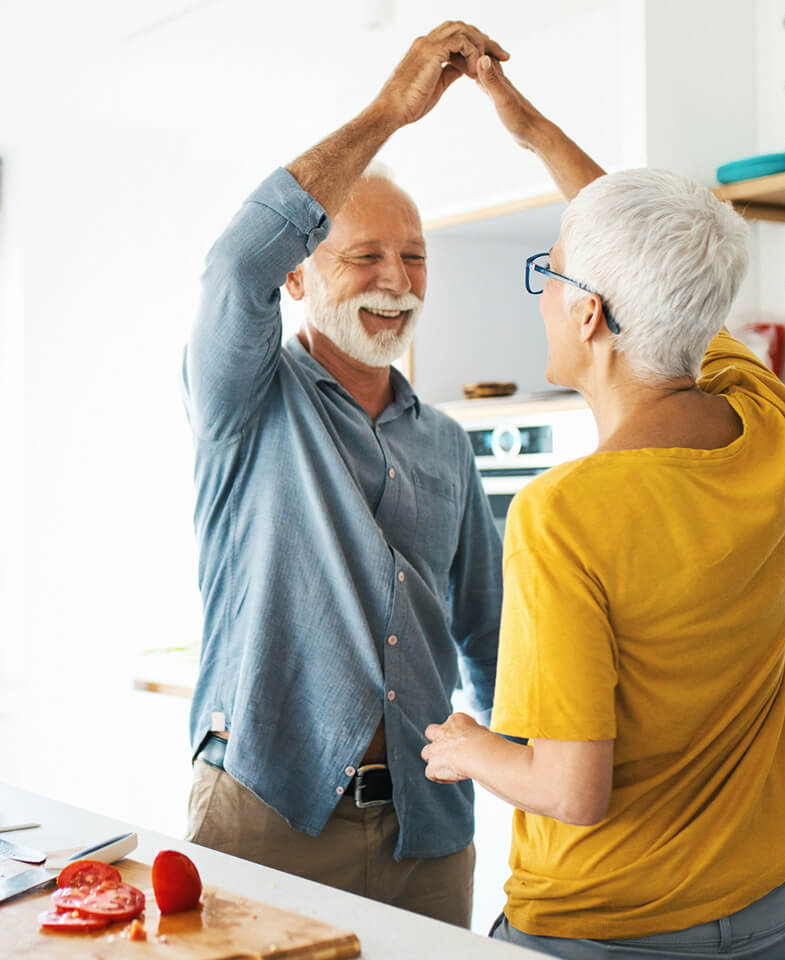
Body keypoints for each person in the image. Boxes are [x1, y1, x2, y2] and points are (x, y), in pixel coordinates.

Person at [422, 55, 785, 957]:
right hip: (771, 921)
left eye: (552, 273)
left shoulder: (563, 515)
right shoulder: (768, 422)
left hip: (607, 932)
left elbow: (572, 788)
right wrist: (532, 131)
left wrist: (467, 745)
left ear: (587, 316)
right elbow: (662, 267)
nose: (544, 293)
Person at [181, 22, 508, 927]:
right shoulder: (245, 400)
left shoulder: (444, 441)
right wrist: (390, 114)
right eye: (363, 255)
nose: (394, 280)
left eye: (413, 257)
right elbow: (231, 265)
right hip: (269, 810)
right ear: (299, 279)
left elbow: (490, 629)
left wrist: (539, 768)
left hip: (429, 827)